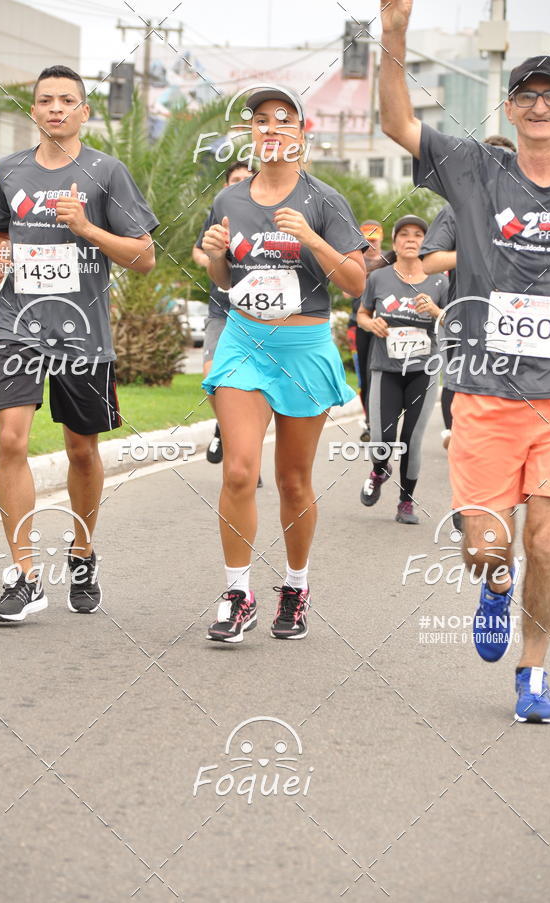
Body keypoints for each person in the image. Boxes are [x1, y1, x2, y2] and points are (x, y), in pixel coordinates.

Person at [380, 0, 550, 723]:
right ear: (512, 110)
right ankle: (493, 586)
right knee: (490, 548)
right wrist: (393, 34)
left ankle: (534, 671)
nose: (541, 105)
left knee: (547, 541)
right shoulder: (476, 169)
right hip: (485, 393)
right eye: (528, 95)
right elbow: (398, 124)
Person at [0, 65, 158, 622]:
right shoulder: (9, 170)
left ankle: (82, 556)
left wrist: (87, 229)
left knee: (81, 449)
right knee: (11, 441)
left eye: (67, 101)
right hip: (19, 322)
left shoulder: (106, 171)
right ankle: (24, 575)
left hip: (83, 331)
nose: (55, 109)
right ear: (33, 111)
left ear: (83, 112)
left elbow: (144, 256)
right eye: (45, 101)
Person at [201, 85, 367, 643]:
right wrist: (218, 256)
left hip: (303, 345)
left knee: (293, 480)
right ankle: (237, 591)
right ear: (251, 133)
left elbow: (354, 281)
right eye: (261, 121)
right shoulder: (231, 200)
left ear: (302, 132)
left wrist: (313, 239)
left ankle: (295, 586)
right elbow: (224, 282)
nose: (271, 129)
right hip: (245, 341)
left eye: (283, 119)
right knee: (239, 470)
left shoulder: (325, 199)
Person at [420, 135, 517, 449]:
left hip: (522, 322)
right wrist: (479, 250)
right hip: (468, 318)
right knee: (463, 384)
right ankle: (461, 441)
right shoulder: (457, 209)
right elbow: (431, 262)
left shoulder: (536, 207)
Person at [357, 215, 448, 524]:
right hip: (386, 368)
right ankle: (379, 470)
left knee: (412, 438)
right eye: (404, 234)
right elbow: (362, 314)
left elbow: (454, 322)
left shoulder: (440, 280)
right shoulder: (379, 278)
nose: (411, 239)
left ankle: (405, 502)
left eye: (419, 235)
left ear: (426, 243)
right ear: (394, 243)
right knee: (382, 440)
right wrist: (372, 323)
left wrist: (437, 311)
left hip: (423, 370)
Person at [192, 161, 257, 467]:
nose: (240, 183)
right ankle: (226, 427)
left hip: (257, 316)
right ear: (225, 185)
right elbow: (198, 249)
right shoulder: (218, 213)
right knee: (211, 379)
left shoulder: (266, 215)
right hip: (221, 309)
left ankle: (242, 451)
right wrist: (213, 260)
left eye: (247, 179)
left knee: (250, 387)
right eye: (235, 179)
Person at [348, 220, 387, 441]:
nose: (371, 245)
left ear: (380, 238)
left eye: (374, 240)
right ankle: (371, 422)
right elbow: (347, 292)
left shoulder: (389, 260)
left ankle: (384, 419)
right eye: (367, 241)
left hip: (386, 325)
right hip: (359, 324)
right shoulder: (355, 260)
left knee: (384, 375)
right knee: (364, 376)